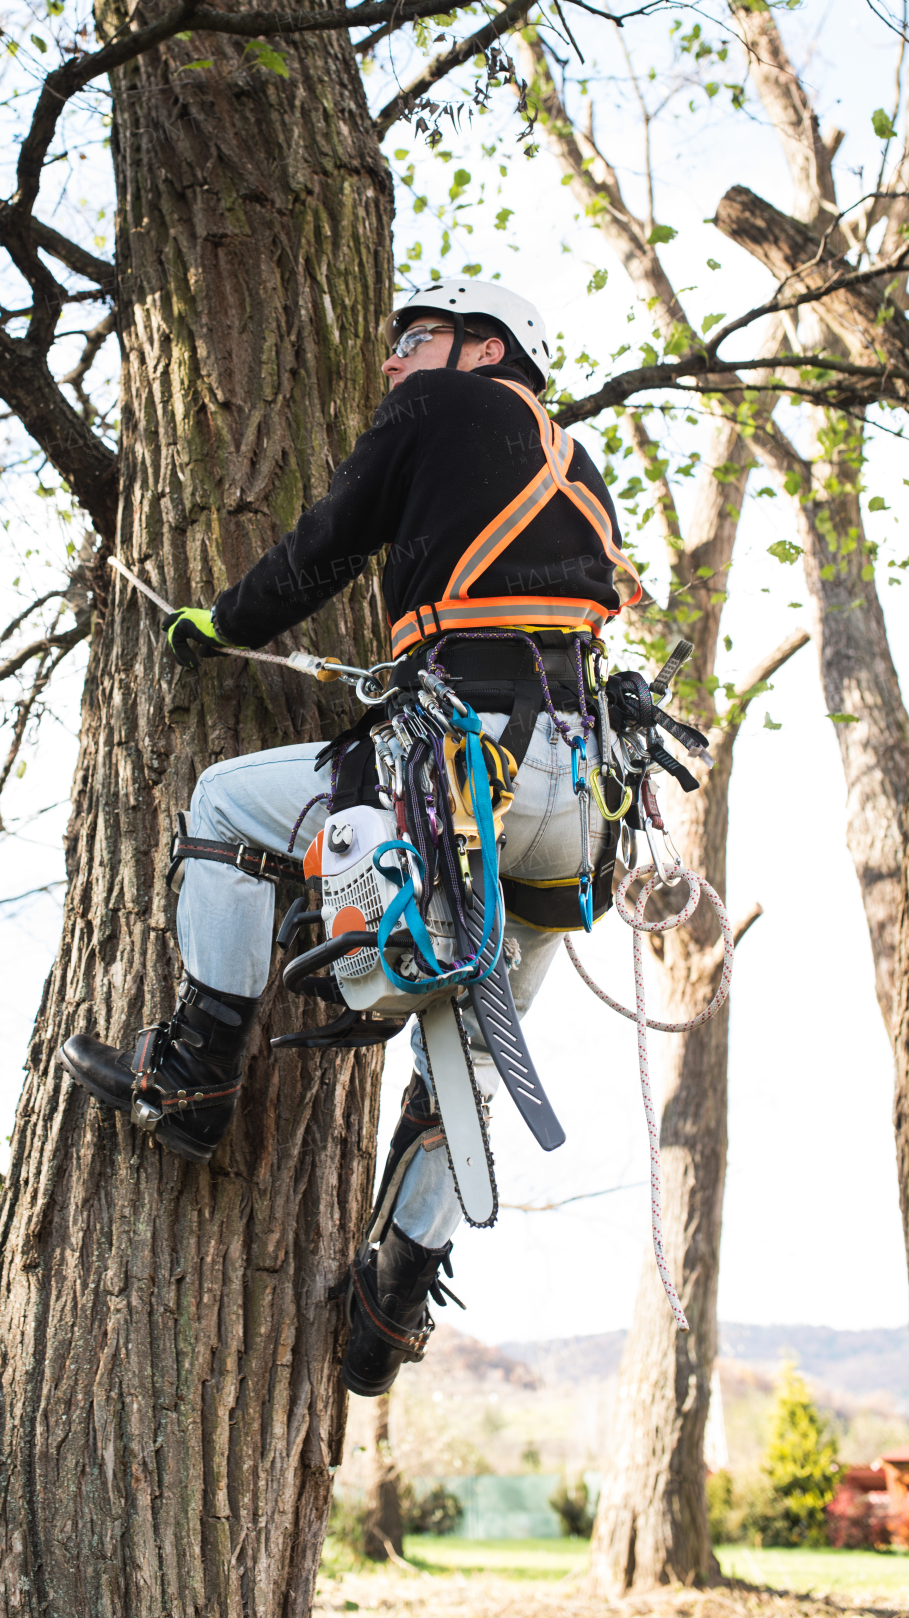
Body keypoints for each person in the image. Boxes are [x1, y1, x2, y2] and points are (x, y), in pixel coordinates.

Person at [61, 275, 640, 1395]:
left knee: (228, 804)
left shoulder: (444, 408)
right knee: (463, 1057)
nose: (390, 363)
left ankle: (189, 1075)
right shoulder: (576, 464)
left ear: (480, 349)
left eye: (413, 339)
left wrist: (218, 625)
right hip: (577, 801)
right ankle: (392, 1300)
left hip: (471, 761)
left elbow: (329, 539)